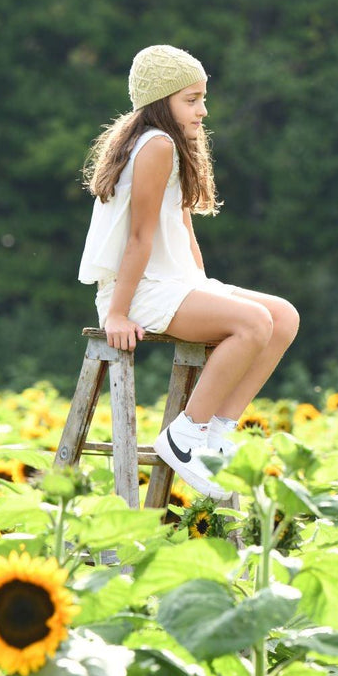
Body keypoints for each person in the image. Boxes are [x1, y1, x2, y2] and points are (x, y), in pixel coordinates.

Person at [77, 45, 299, 499]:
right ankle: (183, 436)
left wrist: (205, 287)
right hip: (137, 291)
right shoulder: (156, 145)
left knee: (284, 317)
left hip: (173, 281)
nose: (203, 110)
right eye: (191, 100)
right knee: (253, 323)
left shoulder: (172, 142)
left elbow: (180, 224)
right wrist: (117, 315)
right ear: (162, 101)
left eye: (202, 98)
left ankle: (215, 434)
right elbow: (139, 239)